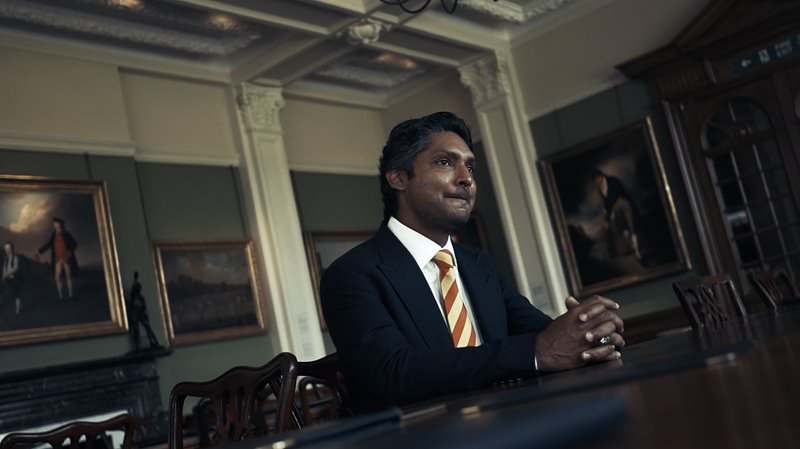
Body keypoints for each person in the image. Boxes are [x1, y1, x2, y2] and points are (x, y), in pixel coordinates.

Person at [321, 111, 625, 412]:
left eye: (470, 167)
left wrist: (589, 336)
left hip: (513, 421)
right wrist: (534, 352)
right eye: (445, 162)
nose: (467, 179)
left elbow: (540, 333)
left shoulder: (478, 263)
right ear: (399, 178)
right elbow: (392, 373)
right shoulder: (351, 274)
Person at [590, 169, 641, 261]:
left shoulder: (612, 181)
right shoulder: (600, 189)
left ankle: (638, 253)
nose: (596, 182)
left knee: (632, 227)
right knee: (622, 229)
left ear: (600, 176)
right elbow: (606, 203)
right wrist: (606, 217)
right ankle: (632, 245)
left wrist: (609, 215)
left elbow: (615, 197)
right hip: (614, 210)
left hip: (623, 204)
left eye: (596, 179)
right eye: (594, 180)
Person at [38, 217, 78, 300]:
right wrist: (39, 251)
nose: (54, 225)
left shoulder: (66, 234)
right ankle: (60, 295)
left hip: (66, 258)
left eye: (56, 223)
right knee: (57, 277)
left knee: (68, 276)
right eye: (54, 223)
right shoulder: (53, 234)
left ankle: (71, 294)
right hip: (57, 259)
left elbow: (74, 243)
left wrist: (70, 251)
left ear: (60, 224)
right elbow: (49, 244)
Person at [128, 271, 162, 351]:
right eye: (137, 289)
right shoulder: (134, 300)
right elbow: (133, 309)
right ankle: (138, 346)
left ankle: (153, 342)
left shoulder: (141, 298)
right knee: (137, 330)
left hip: (141, 314)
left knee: (147, 327)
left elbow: (144, 308)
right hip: (136, 315)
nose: (138, 290)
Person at [2, 242, 24, 316]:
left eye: (8, 248)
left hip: (15, 278)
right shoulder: (6, 258)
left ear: (12, 249)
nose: (7, 250)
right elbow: (4, 267)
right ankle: (20, 306)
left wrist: (7, 274)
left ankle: (17, 311)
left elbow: (15, 268)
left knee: (17, 294)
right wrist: (4, 275)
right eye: (6, 249)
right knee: (14, 293)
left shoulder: (15, 257)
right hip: (9, 279)